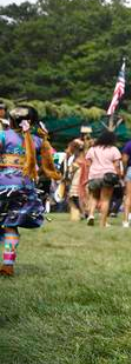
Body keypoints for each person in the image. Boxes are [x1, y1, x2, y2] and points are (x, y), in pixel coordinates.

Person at [0, 106, 60, 276]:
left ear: (11, 120)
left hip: (2, 184)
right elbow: (50, 161)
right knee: (10, 225)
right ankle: (8, 264)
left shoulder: (3, 135)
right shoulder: (37, 140)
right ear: (32, 123)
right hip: (25, 186)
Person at [85, 130, 122, 228]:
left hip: (94, 175)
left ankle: (91, 215)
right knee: (105, 200)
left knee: (94, 197)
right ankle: (103, 223)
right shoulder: (114, 149)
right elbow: (117, 165)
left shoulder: (92, 149)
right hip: (108, 176)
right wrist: (119, 175)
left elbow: (88, 164)